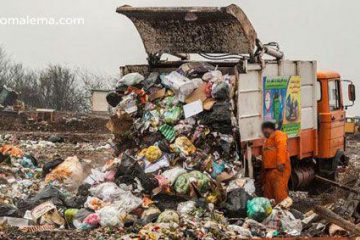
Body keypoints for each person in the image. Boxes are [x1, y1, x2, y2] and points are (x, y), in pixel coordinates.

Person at [261, 122, 291, 203]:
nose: (264, 132)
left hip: (278, 170)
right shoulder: (266, 141)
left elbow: (282, 147)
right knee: (268, 197)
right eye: (263, 130)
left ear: (271, 129)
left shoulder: (278, 134)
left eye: (265, 130)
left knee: (280, 194)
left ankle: (284, 212)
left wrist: (280, 163)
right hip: (269, 172)